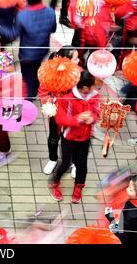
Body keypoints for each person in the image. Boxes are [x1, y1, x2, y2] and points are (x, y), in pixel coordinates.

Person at [49, 71, 101, 204]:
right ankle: (54, 182)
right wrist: (78, 119)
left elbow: (96, 112)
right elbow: (60, 119)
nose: (94, 88)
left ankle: (79, 187)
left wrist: (92, 118)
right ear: (84, 87)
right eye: (91, 86)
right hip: (69, 138)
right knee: (65, 163)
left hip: (85, 138)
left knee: (82, 165)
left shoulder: (95, 96)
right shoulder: (67, 98)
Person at [6, 0, 56, 100]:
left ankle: (28, 96)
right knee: (36, 70)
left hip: (27, 54)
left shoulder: (22, 15)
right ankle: (34, 91)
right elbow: (53, 29)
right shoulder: (50, 12)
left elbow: (13, 34)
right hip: (42, 51)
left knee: (27, 75)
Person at [39, 46, 80, 176]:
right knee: (53, 136)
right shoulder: (50, 73)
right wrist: (49, 104)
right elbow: (44, 92)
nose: (78, 60)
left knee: (73, 138)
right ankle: (53, 159)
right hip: (56, 111)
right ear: (66, 61)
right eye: (75, 58)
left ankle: (74, 162)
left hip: (73, 112)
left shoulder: (78, 73)